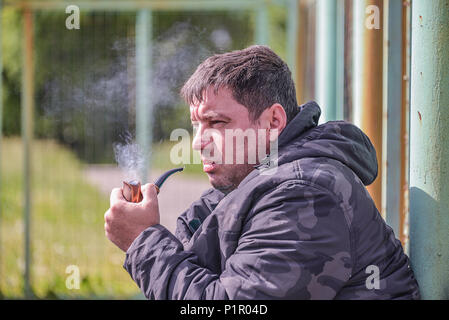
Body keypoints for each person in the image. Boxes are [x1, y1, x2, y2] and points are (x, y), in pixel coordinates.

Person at [104, 45, 420, 299]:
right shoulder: (253, 178)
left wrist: (142, 241)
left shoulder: (304, 193)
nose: (199, 142)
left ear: (272, 122)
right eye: (196, 125)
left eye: (217, 123)